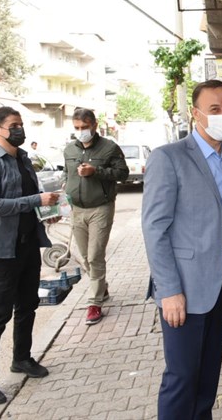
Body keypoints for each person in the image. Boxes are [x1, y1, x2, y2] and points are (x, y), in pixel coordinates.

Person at [142, 80, 222, 419]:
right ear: (195, 114)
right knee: (182, 376)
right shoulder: (169, 158)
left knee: (208, 374)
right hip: (185, 285)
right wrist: (169, 290)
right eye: (214, 109)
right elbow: (154, 228)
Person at [0, 107, 60, 405]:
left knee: (28, 304)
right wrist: (35, 200)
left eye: (21, 124)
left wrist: (46, 211)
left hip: (28, 244)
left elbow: (31, 198)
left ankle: (21, 358)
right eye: (13, 125)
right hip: (1, 251)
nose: (19, 130)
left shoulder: (24, 158)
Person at [63, 108, 129, 325]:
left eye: (84, 127)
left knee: (94, 255)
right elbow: (67, 173)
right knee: (83, 256)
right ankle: (102, 288)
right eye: (77, 128)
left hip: (101, 207)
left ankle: (94, 303)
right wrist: (66, 188)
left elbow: (123, 174)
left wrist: (97, 171)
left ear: (94, 125)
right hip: (77, 210)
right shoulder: (70, 149)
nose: (81, 132)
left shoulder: (109, 148)